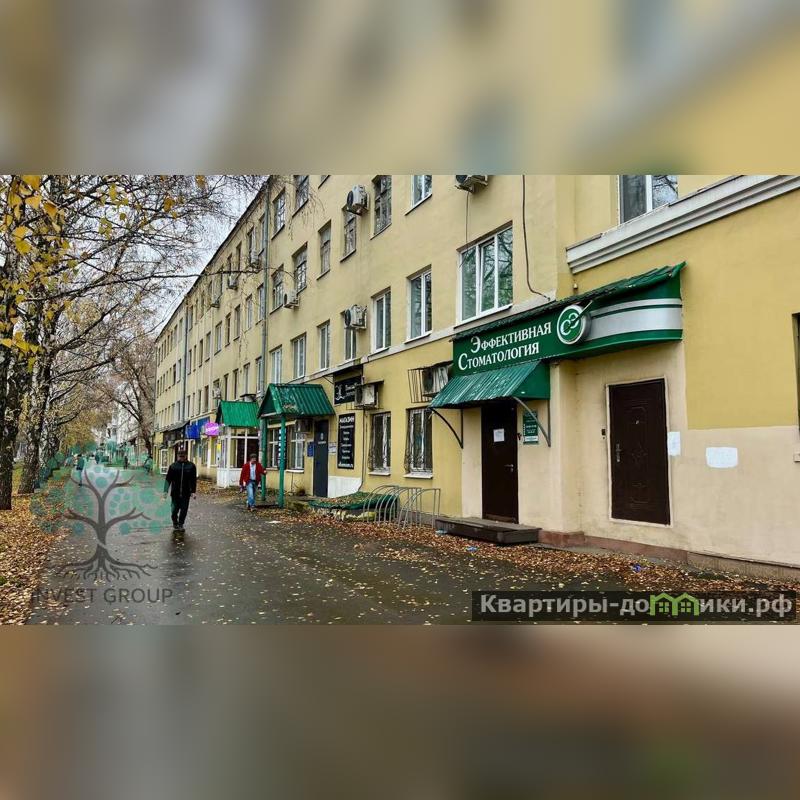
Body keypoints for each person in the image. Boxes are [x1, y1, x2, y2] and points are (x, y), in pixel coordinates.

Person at [163, 448, 197, 531]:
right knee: (174, 510)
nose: (181, 458)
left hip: (186, 493)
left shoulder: (191, 466)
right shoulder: (173, 466)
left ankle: (181, 524)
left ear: (186, 456)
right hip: (175, 493)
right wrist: (165, 491)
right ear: (178, 456)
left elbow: (193, 480)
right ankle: (175, 522)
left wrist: (193, 491)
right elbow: (168, 479)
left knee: (184, 510)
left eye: (183, 456)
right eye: (180, 456)